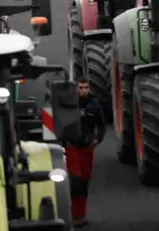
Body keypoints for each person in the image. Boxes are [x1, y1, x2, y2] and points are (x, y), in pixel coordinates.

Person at [64, 77, 106, 228]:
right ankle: (73, 215)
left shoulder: (94, 104)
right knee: (74, 182)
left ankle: (82, 215)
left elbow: (101, 125)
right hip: (72, 147)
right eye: (81, 87)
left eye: (86, 87)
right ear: (76, 89)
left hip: (87, 148)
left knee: (84, 183)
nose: (84, 91)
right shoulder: (69, 105)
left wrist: (97, 139)